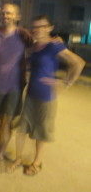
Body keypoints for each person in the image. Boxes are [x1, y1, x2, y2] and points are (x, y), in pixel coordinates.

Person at [8, 15, 85, 175]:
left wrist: (66, 83)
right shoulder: (36, 46)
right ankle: (18, 158)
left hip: (46, 97)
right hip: (30, 94)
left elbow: (78, 63)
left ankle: (37, 162)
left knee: (41, 131)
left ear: (50, 28)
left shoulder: (54, 46)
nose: (37, 30)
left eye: (42, 26)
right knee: (22, 128)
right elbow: (34, 63)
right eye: (34, 27)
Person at [0, 3, 34, 160]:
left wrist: (56, 41)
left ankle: (1, 152)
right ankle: (0, 142)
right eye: (3, 13)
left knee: (7, 119)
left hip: (15, 86)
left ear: (17, 17)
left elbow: (40, 44)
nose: (6, 16)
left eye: (10, 13)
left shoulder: (22, 35)